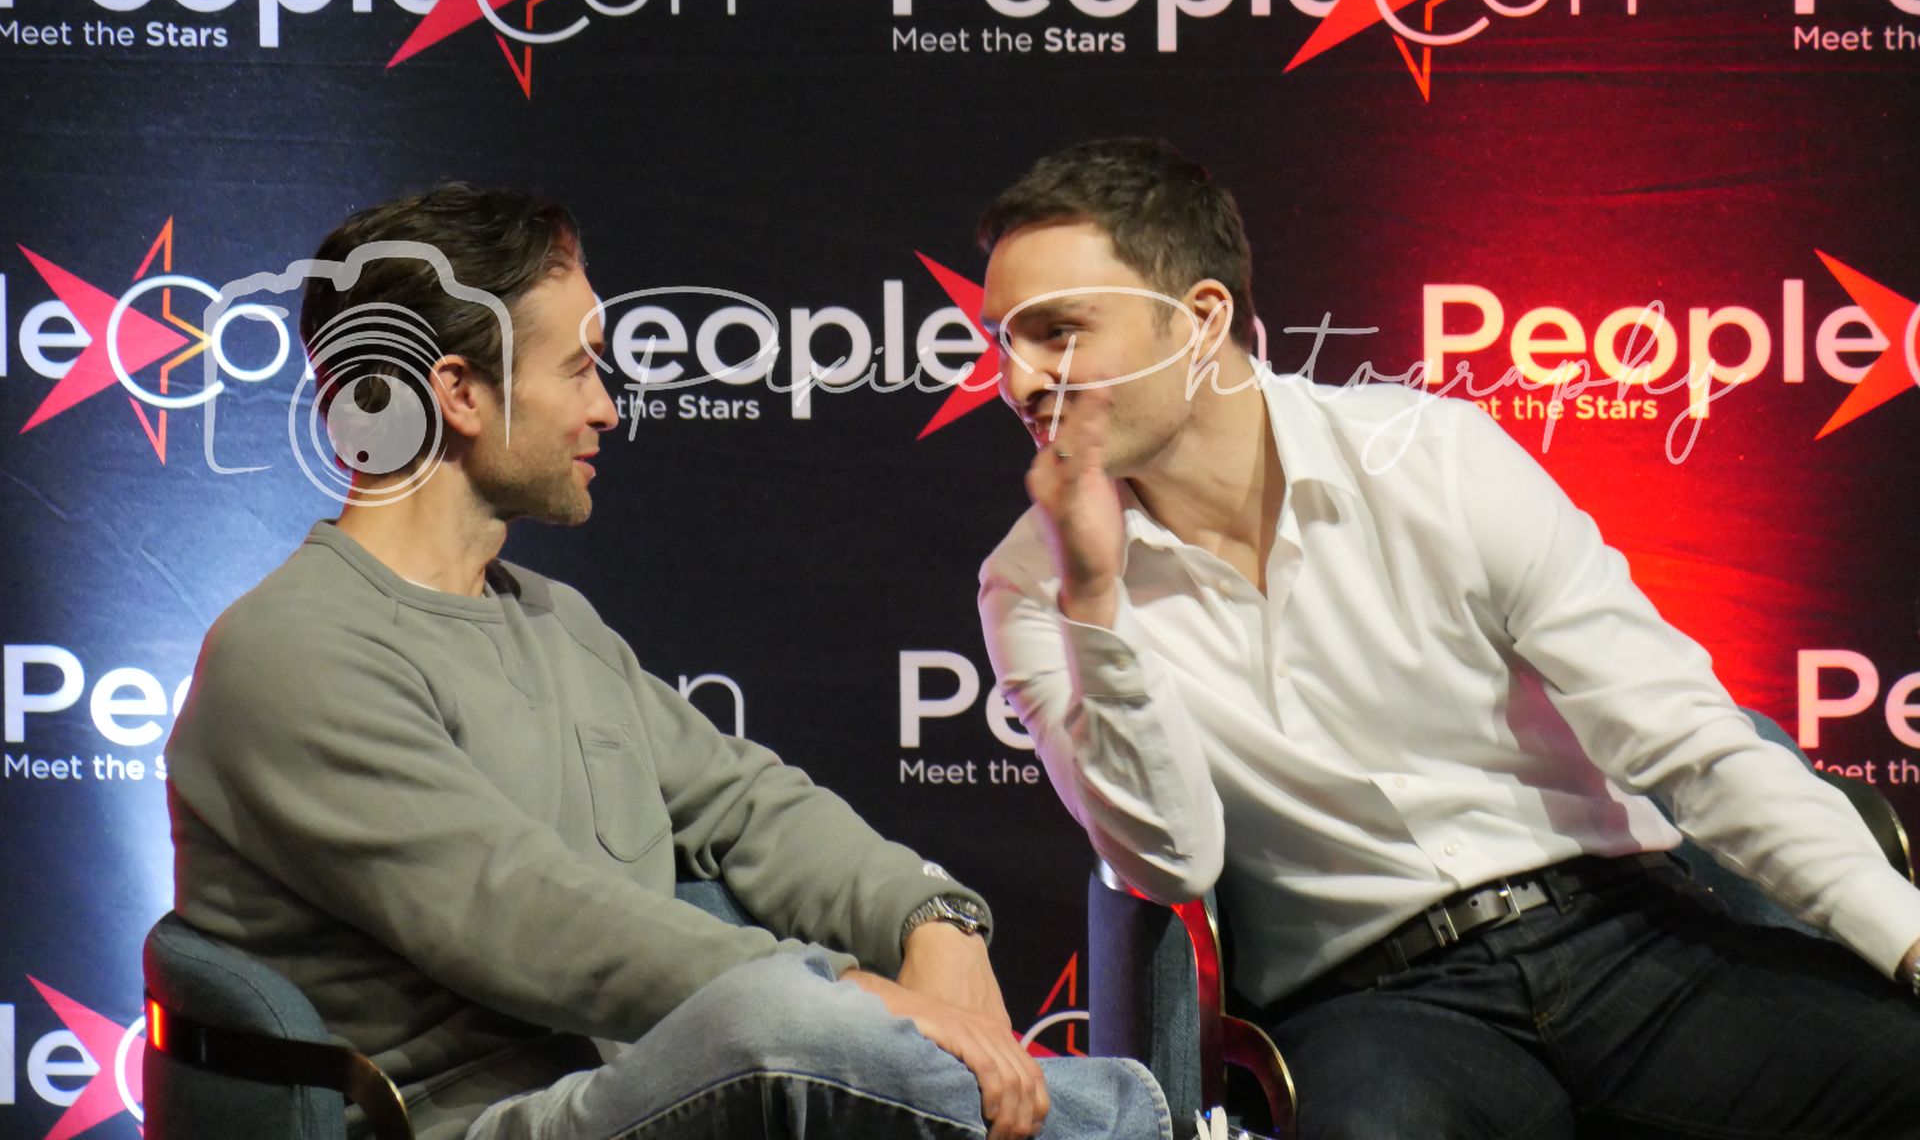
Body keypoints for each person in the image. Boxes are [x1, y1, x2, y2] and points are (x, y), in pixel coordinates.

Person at [165, 184, 1172, 1140]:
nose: (607, 408)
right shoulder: (291, 655)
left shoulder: (552, 618)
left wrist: (931, 920)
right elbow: (528, 917)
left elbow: (747, 802)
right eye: (578, 369)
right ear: (459, 393)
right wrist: (852, 997)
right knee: (782, 1019)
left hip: (630, 1090)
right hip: (472, 1123)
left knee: (803, 1016)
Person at [974, 138, 1920, 1139]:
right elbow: (1170, 861)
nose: (1019, 380)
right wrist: (1099, 602)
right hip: (1379, 1009)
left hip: (1624, 941)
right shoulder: (1031, 588)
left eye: (1059, 331)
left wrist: (1908, 940)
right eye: (1002, 342)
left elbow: (1689, 742)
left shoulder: (1434, 457)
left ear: (1202, 319)